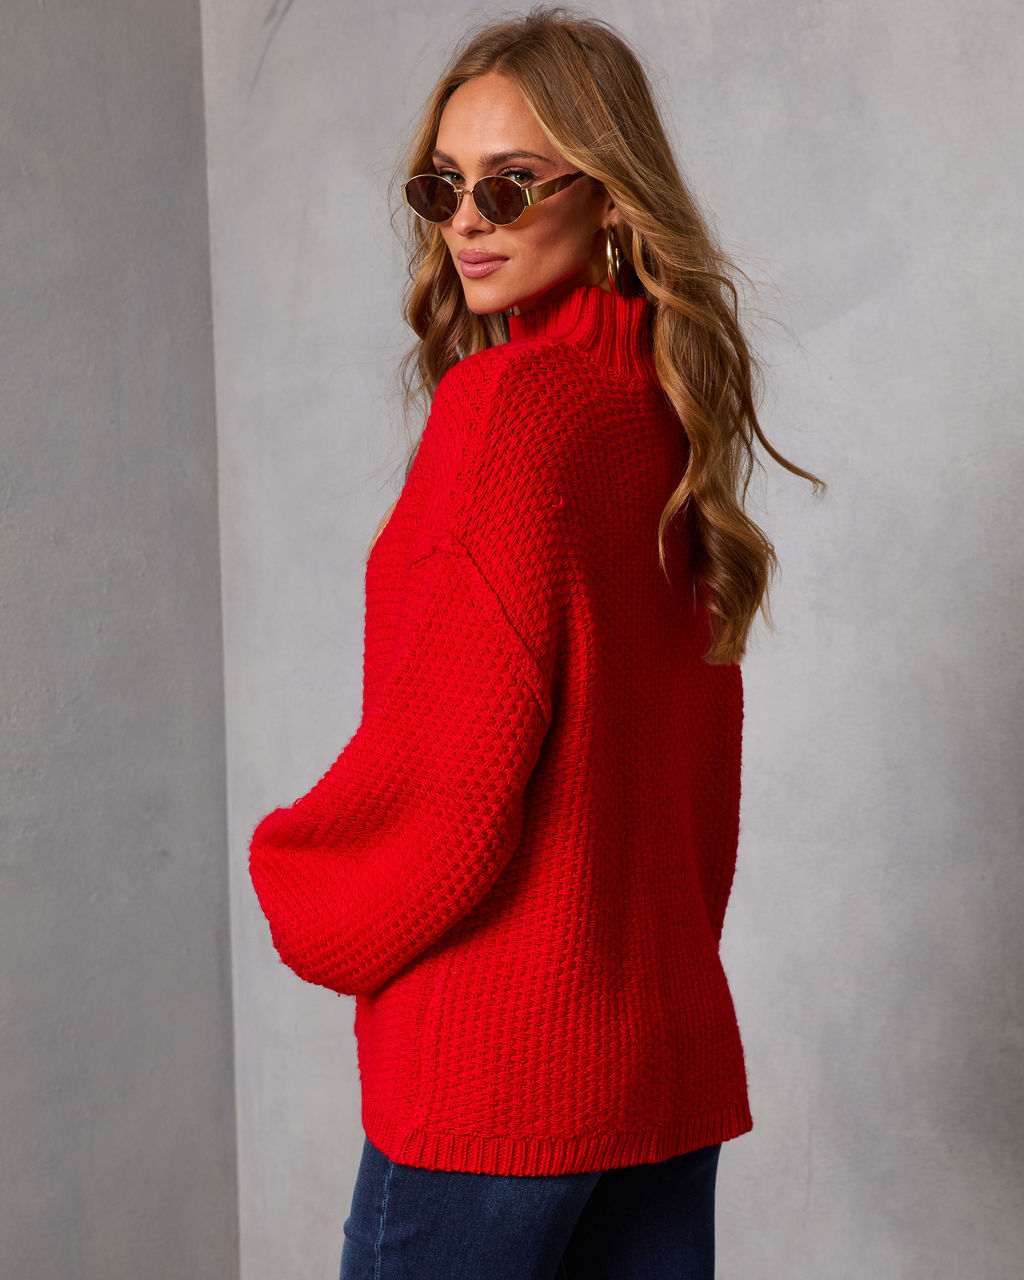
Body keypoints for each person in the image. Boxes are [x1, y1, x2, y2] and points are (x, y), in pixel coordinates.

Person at [248, 7, 824, 1278]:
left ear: (608, 197)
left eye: (510, 184)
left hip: (493, 1074)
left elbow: (442, 785)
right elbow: (687, 793)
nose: (467, 220)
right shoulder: (667, 426)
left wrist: (294, 872)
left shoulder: (507, 412)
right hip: (657, 1055)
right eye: (441, 185)